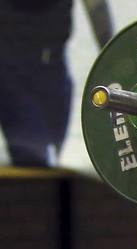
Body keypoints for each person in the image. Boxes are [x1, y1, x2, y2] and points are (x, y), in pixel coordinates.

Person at [0, 0, 113, 166]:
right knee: (33, 158)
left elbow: (97, 8)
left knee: (54, 150)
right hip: (11, 72)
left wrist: (111, 60)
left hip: (55, 67)